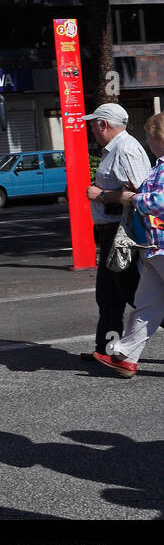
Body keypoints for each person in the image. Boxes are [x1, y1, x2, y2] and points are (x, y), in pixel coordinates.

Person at [82, 103, 153, 361]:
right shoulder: (114, 149)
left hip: (122, 233)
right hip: (112, 231)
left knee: (133, 293)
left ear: (104, 124)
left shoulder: (125, 150)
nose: (91, 129)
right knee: (108, 295)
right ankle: (105, 349)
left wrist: (100, 195)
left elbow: (139, 195)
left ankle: (110, 350)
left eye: (93, 124)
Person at [96, 113, 164, 377]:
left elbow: (160, 202)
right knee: (146, 304)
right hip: (153, 247)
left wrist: (134, 198)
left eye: (148, 135)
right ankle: (125, 355)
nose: (146, 140)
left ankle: (126, 355)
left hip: (158, 247)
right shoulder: (159, 165)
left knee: (147, 304)